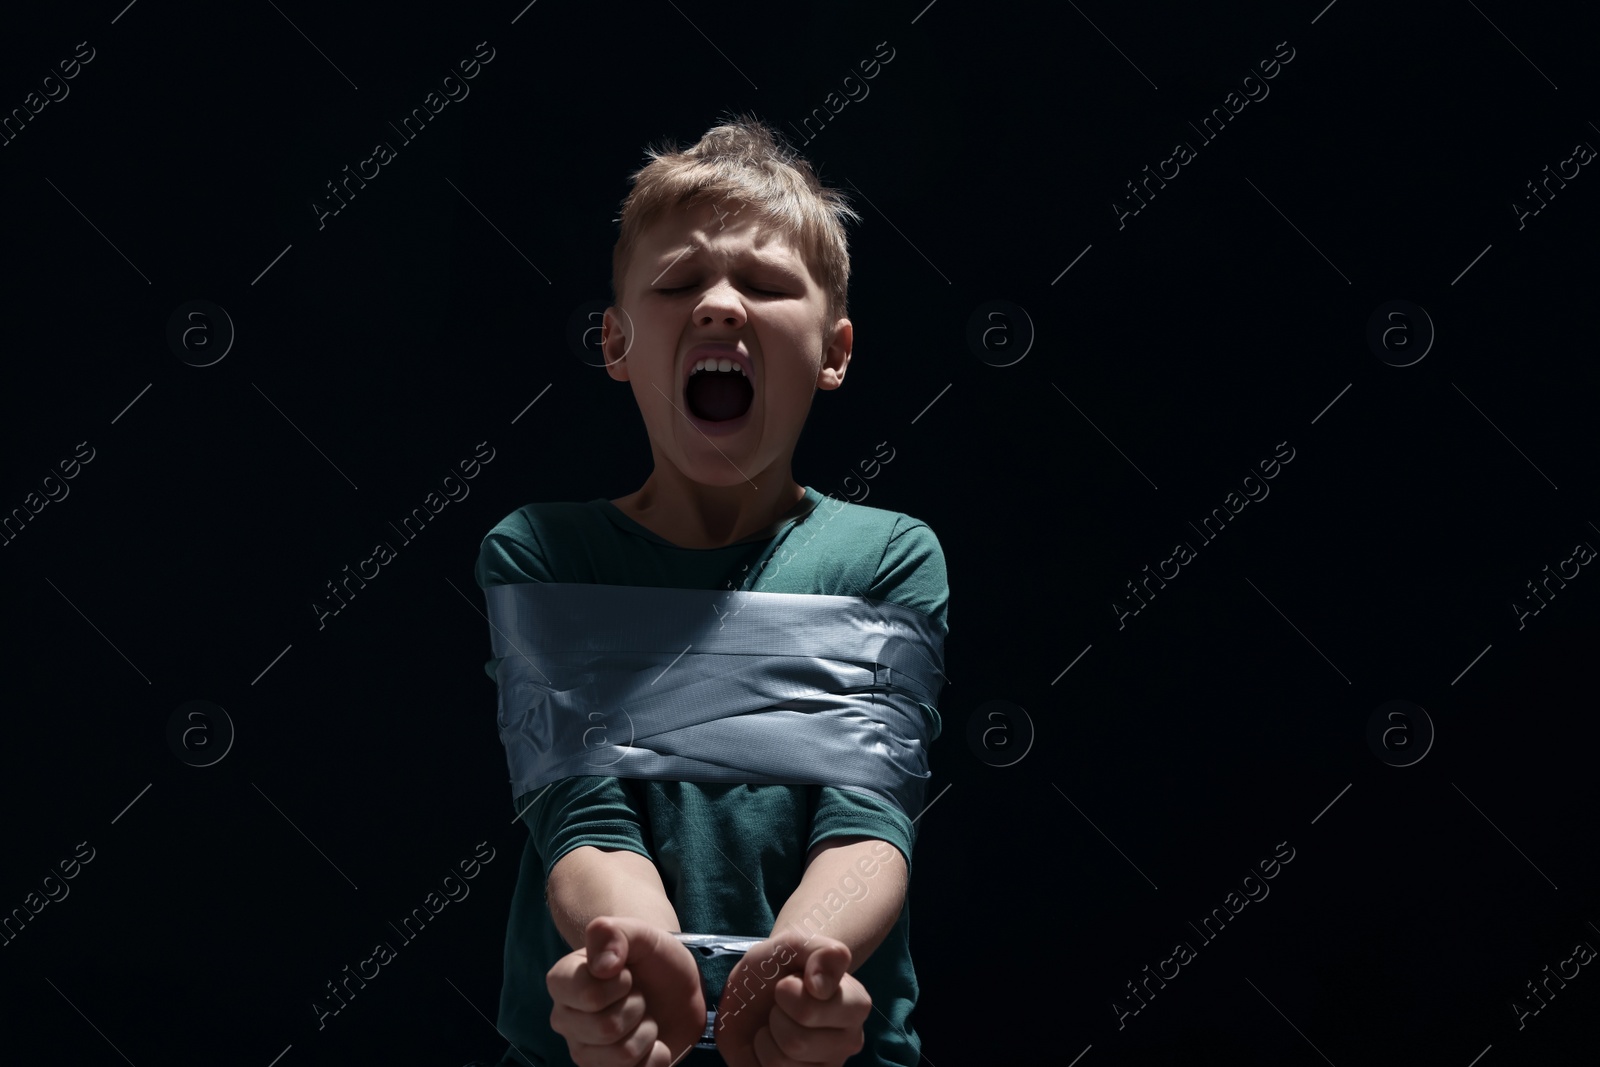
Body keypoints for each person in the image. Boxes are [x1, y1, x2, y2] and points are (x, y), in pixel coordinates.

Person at [474, 113, 949, 1067]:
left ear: (834, 350)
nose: (721, 305)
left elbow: (868, 815)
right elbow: (581, 811)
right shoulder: (540, 550)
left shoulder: (891, 554)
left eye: (768, 285)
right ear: (617, 343)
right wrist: (630, 955)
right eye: (680, 282)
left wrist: (802, 958)